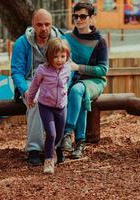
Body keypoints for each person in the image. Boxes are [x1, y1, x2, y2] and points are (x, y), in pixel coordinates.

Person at [11, 9, 63, 166]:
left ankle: (56, 146)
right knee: (36, 100)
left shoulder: (60, 40)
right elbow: (16, 72)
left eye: (47, 24)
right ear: (32, 25)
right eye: (39, 25)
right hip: (29, 81)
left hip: (53, 81)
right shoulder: (22, 43)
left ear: (51, 24)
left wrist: (63, 85)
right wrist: (25, 91)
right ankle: (34, 149)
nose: (44, 28)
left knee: (59, 103)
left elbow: (67, 66)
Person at [61, 2, 109, 159]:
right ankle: (80, 142)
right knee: (77, 93)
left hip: (94, 81)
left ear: (92, 17)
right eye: (75, 16)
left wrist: (78, 67)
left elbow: (103, 70)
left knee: (77, 90)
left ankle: (67, 133)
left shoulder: (100, 41)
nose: (78, 19)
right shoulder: (67, 38)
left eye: (83, 16)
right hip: (72, 80)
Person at [27, 38, 71, 173]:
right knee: (51, 134)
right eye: (55, 57)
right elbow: (34, 85)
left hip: (61, 107)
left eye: (62, 56)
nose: (59, 60)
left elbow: (66, 82)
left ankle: (52, 149)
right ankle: (48, 161)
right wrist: (30, 97)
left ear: (67, 56)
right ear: (48, 56)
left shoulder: (67, 69)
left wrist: (64, 94)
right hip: (46, 106)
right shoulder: (42, 70)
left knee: (59, 134)